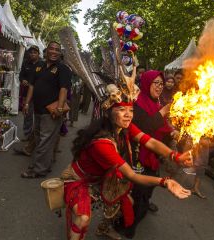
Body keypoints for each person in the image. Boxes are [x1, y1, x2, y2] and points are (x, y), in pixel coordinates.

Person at [62, 88, 193, 240]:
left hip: (104, 175)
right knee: (83, 218)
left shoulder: (125, 127)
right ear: (109, 112)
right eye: (121, 109)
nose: (128, 114)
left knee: (126, 203)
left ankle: (104, 228)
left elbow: (149, 141)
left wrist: (175, 156)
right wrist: (164, 181)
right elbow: (131, 175)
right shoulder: (102, 143)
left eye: (131, 110)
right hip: (80, 180)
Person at [127, 70, 179, 238]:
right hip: (138, 153)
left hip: (153, 152)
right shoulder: (137, 102)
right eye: (155, 83)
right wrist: (164, 111)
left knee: (151, 183)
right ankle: (128, 224)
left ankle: (144, 204)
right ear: (146, 83)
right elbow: (145, 127)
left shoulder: (156, 101)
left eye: (161, 84)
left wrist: (170, 131)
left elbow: (160, 125)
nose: (159, 86)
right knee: (138, 188)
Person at [21, 41, 72, 178]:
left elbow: (64, 89)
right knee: (39, 139)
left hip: (51, 112)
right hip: (37, 110)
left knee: (45, 140)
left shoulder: (63, 69)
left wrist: (60, 108)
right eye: (52, 49)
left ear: (60, 53)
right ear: (47, 50)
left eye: (57, 49)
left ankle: (38, 170)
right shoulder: (38, 66)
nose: (54, 52)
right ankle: (43, 164)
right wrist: (26, 104)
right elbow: (31, 86)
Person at [19, 45, 41, 141]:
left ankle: (37, 136)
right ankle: (27, 135)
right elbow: (21, 75)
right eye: (31, 52)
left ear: (38, 54)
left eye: (35, 52)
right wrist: (22, 80)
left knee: (38, 115)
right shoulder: (25, 63)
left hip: (38, 94)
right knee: (27, 114)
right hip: (26, 93)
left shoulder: (42, 64)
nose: (32, 54)